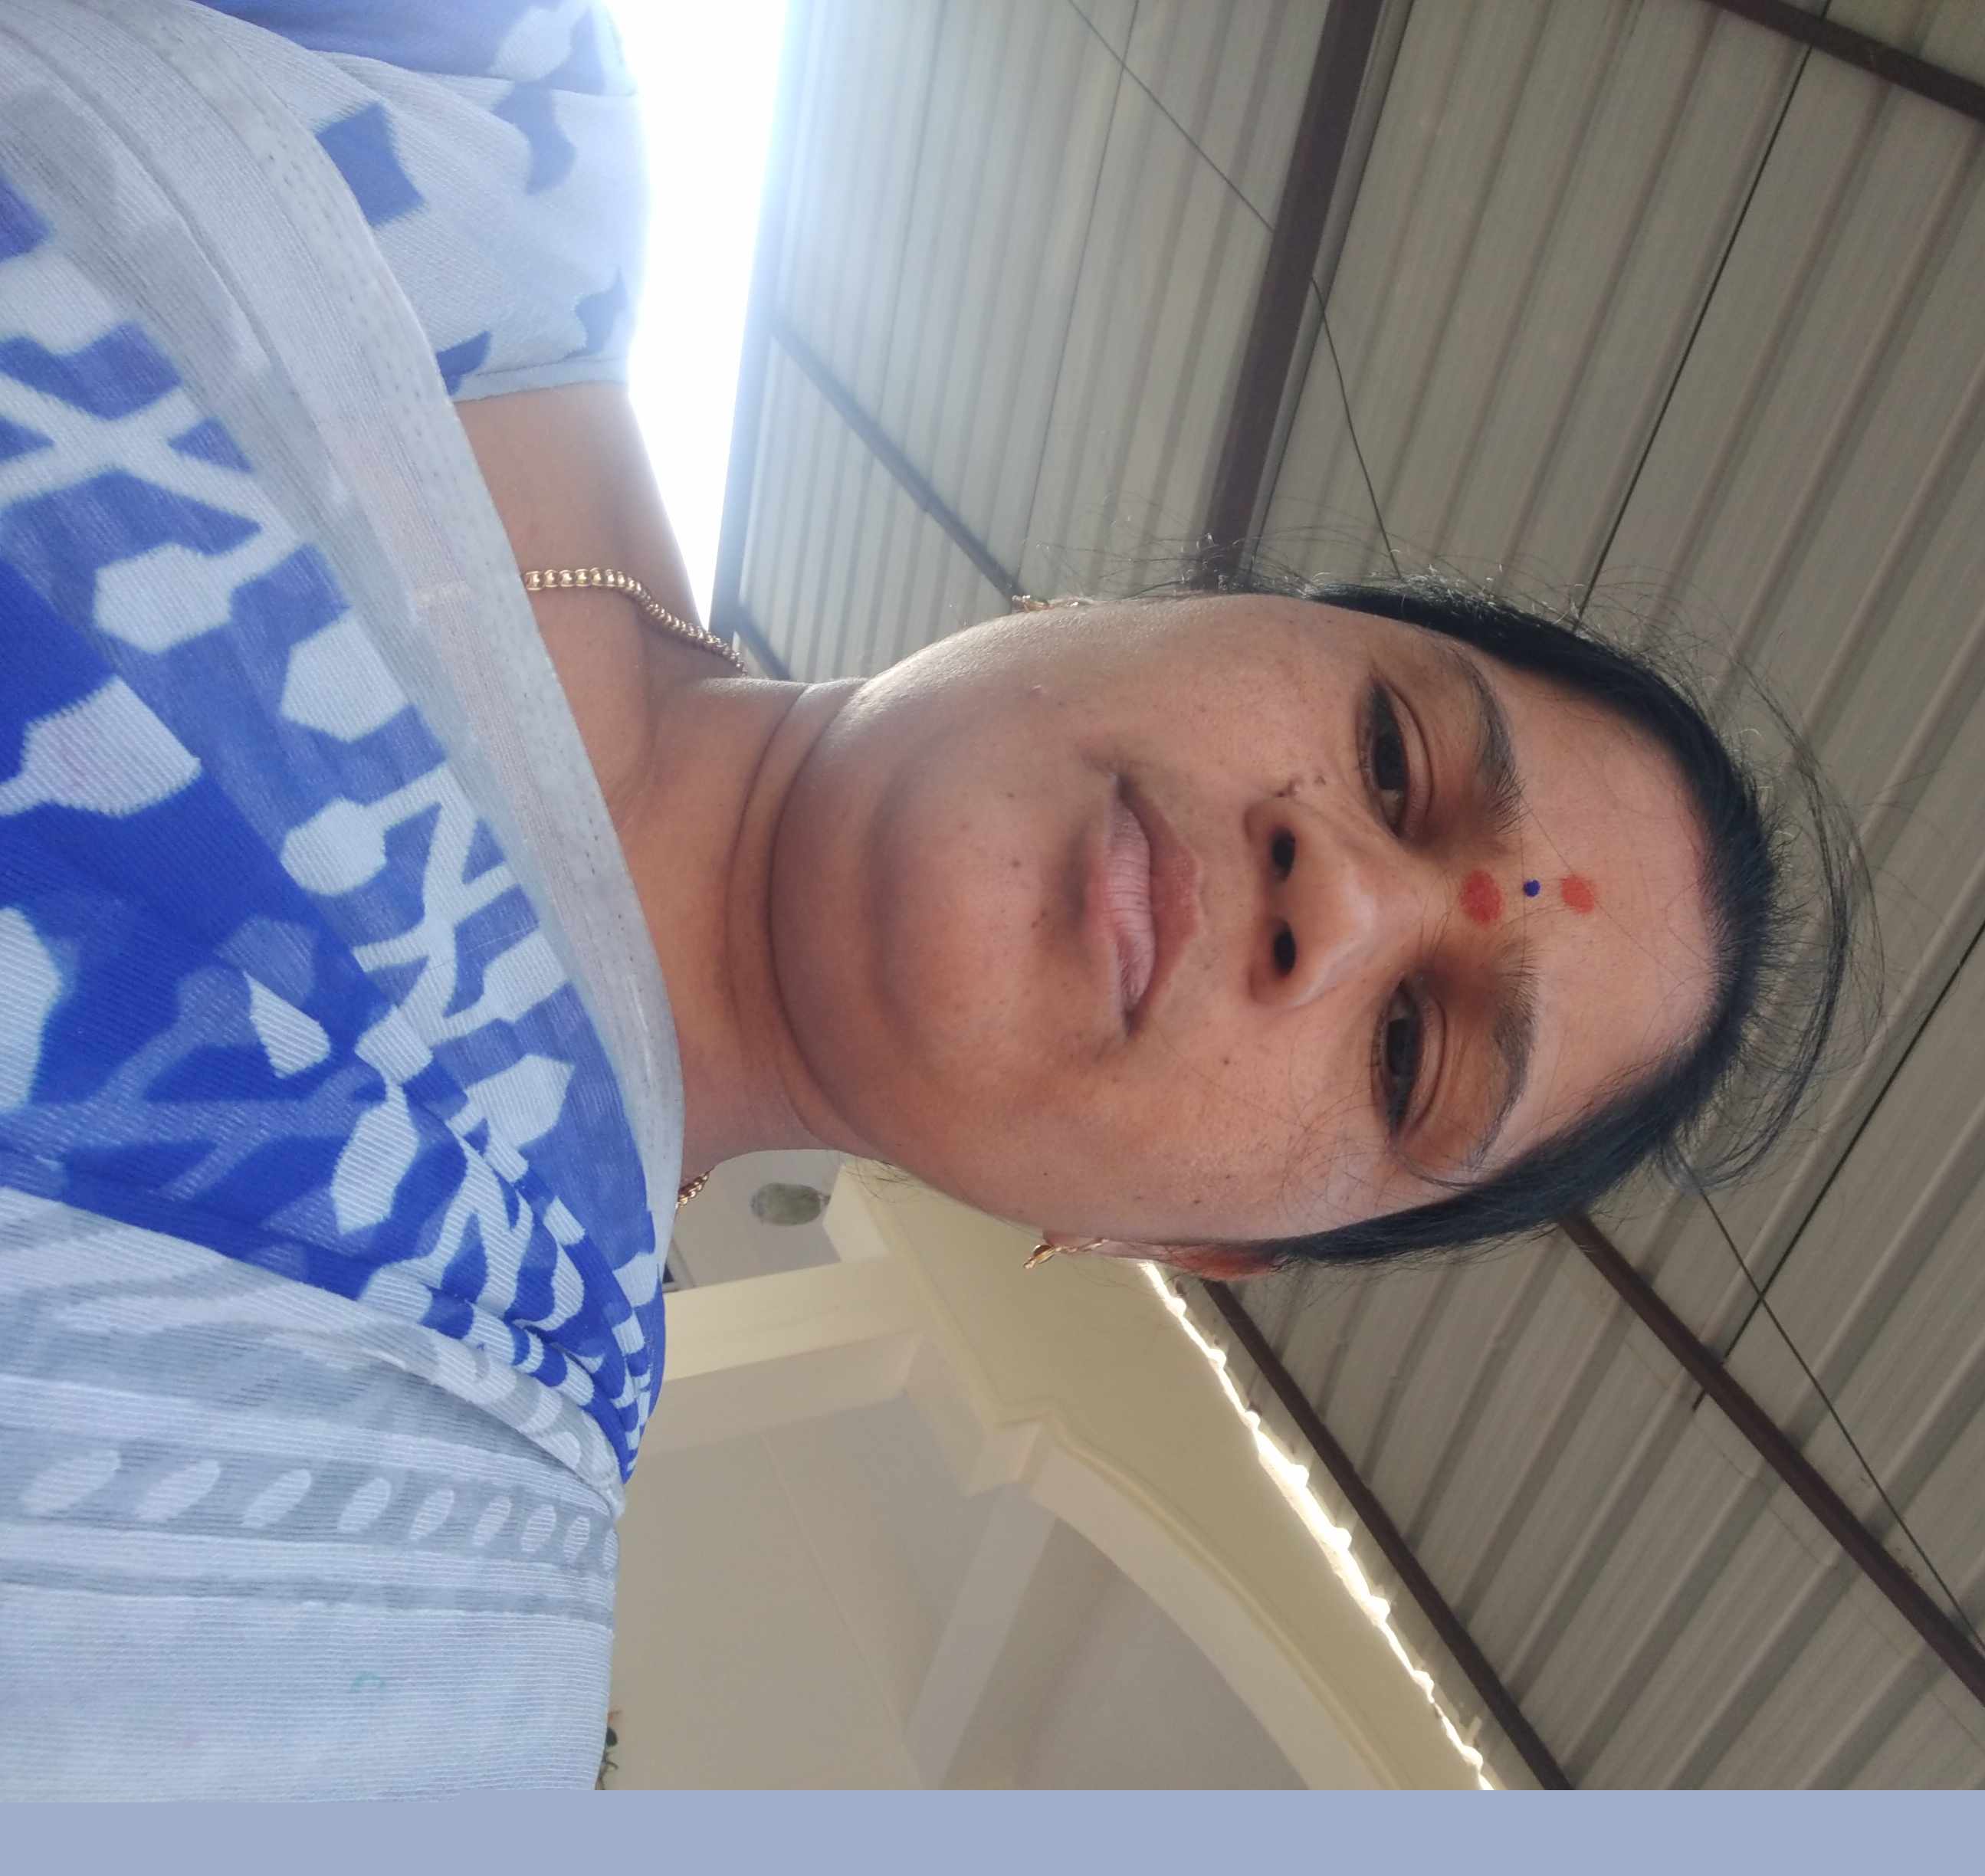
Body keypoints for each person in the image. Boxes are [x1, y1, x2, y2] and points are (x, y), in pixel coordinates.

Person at [0, 0, 1865, 1796]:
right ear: (1190, 604)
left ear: (1183, 1248)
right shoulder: (494, 113)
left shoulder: (411, 1612)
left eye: (1407, 1058)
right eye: (1394, 753)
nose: (1346, 903)